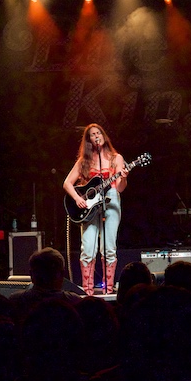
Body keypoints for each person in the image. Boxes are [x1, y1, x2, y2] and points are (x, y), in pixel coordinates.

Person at [63, 124, 128, 296]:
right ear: (89, 140)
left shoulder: (116, 158)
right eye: (92, 134)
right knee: (88, 247)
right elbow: (67, 183)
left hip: (111, 199)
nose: (96, 136)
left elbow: (120, 188)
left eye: (99, 132)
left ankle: (108, 289)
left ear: (104, 136)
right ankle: (88, 291)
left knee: (108, 247)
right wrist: (78, 199)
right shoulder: (84, 161)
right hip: (90, 206)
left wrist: (123, 178)